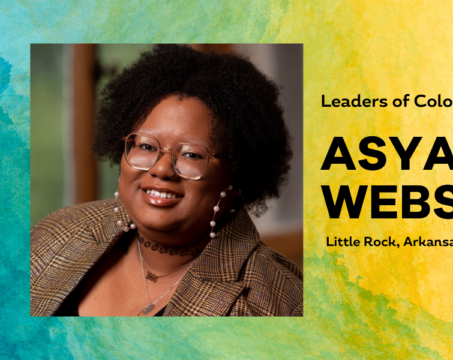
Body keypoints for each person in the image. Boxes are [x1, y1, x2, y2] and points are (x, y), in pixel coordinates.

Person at [30, 45, 303, 316]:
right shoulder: (55, 234)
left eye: (191, 154)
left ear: (236, 176)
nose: (161, 169)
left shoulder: (275, 304)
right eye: (147, 146)